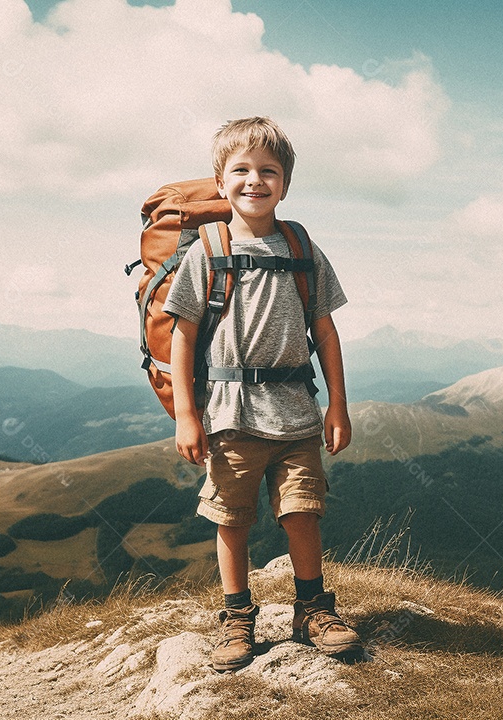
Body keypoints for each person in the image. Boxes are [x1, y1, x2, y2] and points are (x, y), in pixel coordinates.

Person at [163, 116, 361, 671]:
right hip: (230, 415)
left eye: (268, 171)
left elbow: (324, 330)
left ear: (286, 182)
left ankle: (313, 610)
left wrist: (338, 405)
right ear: (220, 180)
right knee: (232, 517)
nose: (255, 180)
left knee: (303, 512)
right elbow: (182, 333)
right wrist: (186, 414)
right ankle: (236, 616)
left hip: (297, 414)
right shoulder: (206, 250)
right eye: (241, 170)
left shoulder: (301, 247)